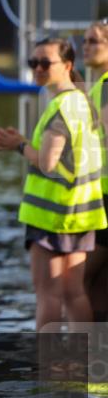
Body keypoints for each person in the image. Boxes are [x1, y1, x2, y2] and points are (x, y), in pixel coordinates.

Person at [0, 38, 106, 331]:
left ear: (67, 65)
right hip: (81, 214)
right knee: (74, 292)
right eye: (33, 63)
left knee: (48, 295)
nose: (37, 69)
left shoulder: (62, 108)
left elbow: (47, 162)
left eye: (45, 63)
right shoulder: (83, 101)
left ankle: (51, 369)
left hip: (51, 216)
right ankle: (86, 363)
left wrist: (19, 145)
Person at [82, 20, 108, 322]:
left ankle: (79, 357)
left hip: (104, 200)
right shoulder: (99, 85)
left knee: (75, 283)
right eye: (84, 41)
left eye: (94, 42)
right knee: (100, 285)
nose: (85, 47)